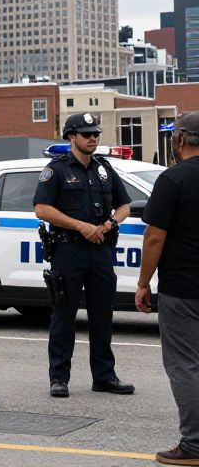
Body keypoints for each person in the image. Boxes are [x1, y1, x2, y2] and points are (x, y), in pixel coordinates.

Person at [34, 112, 134, 398]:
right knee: (64, 315)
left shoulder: (103, 169)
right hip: (68, 250)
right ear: (71, 138)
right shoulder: (57, 170)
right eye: (86, 134)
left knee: (102, 314)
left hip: (100, 250)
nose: (93, 138)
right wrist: (81, 226)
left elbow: (124, 205)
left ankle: (104, 376)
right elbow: (42, 208)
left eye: (95, 134)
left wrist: (109, 224)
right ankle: (59, 377)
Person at [136, 111, 199, 466]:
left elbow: (155, 236)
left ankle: (194, 445)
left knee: (186, 366)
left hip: (183, 287)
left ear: (181, 140)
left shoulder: (172, 179)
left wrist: (144, 283)